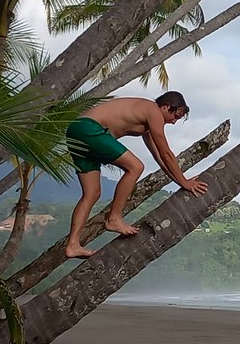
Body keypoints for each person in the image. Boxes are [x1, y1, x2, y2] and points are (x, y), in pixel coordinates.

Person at [63, 91, 208, 259]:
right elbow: (167, 153)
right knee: (136, 167)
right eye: (175, 115)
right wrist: (186, 183)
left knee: (91, 193)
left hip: (76, 130)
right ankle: (114, 219)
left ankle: (72, 245)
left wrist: (182, 182)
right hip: (89, 128)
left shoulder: (148, 123)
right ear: (166, 106)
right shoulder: (153, 110)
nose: (174, 122)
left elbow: (160, 158)